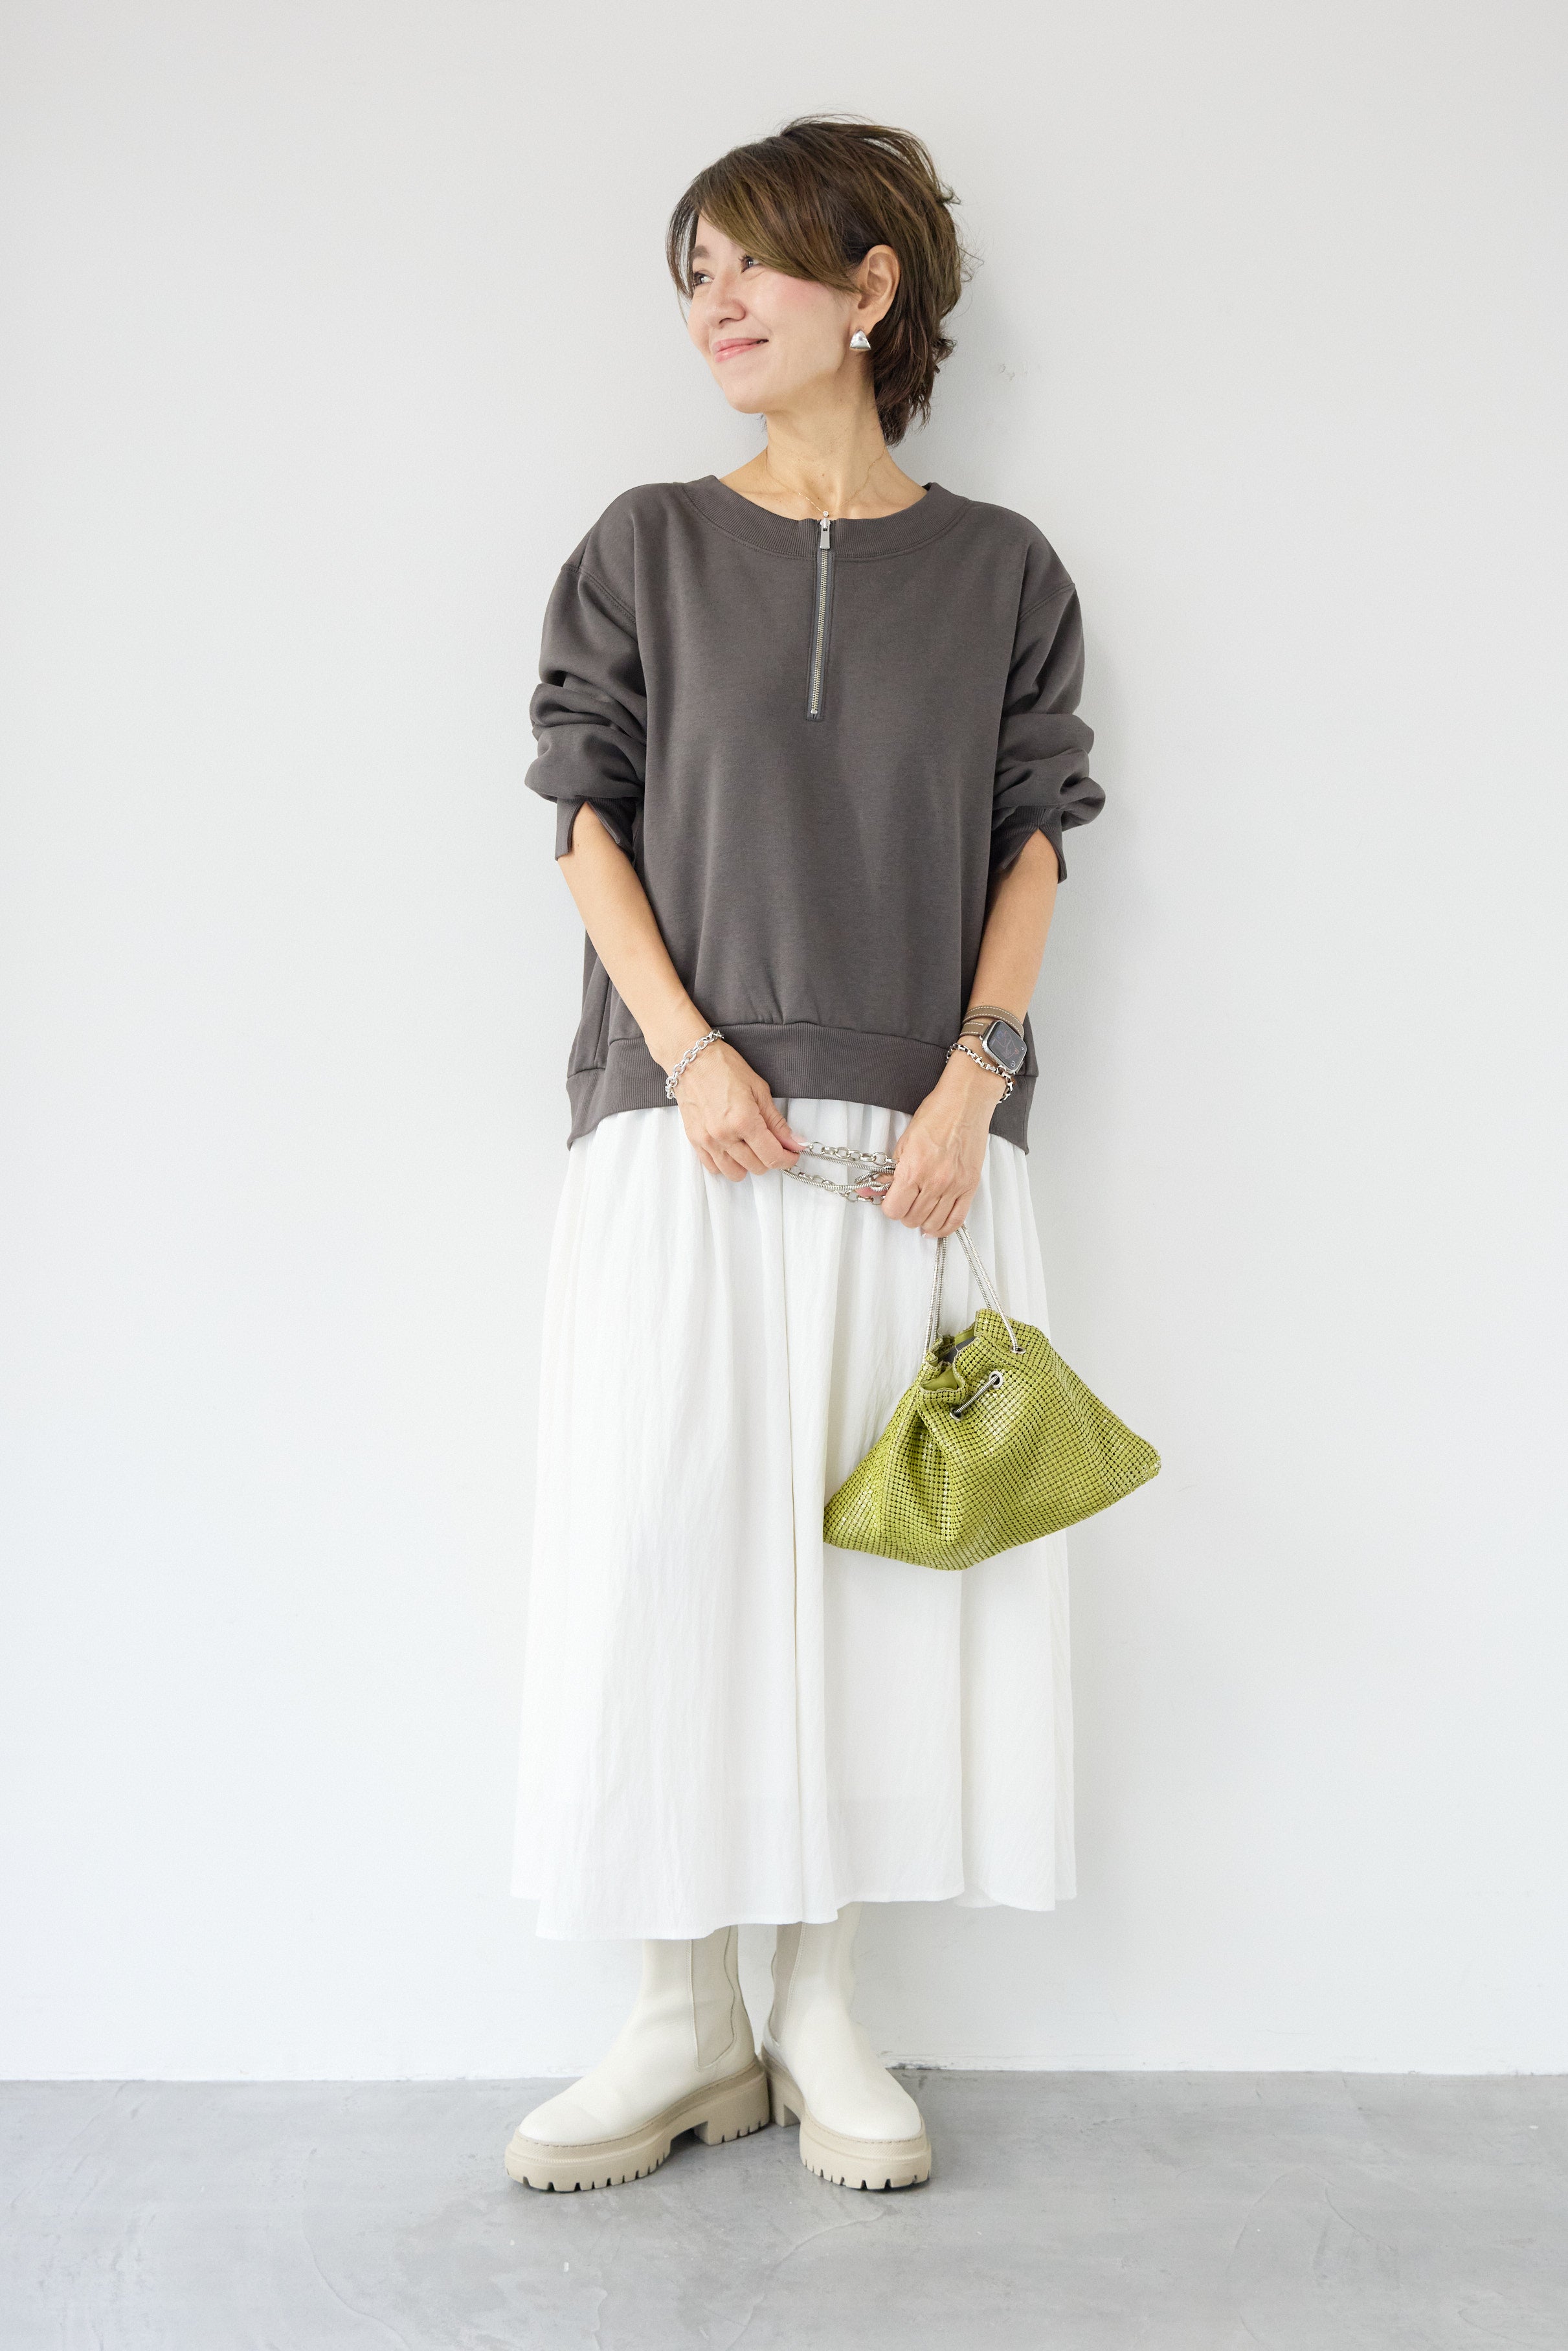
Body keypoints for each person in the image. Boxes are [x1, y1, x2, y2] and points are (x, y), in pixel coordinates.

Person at [506, 116, 1104, 2196]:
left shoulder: (1004, 572)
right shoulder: (646, 545)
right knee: (666, 1553)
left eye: (752, 263)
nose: (717, 305)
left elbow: (1037, 834)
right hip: (685, 1132)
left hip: (914, 1147)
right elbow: (583, 814)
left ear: (872, 290)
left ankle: (823, 2006)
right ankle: (683, 2023)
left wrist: (975, 1081)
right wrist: (685, 1059)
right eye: (693, 275)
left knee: (874, 1585)